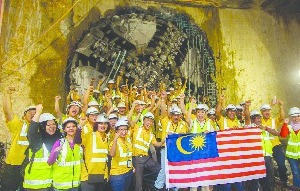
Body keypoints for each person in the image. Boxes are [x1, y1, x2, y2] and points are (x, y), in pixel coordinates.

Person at [2, 87, 36, 191]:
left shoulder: (43, 129)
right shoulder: (19, 126)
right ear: (24, 116)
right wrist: (7, 95)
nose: (32, 113)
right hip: (14, 165)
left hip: (32, 166)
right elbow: (8, 112)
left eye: (34, 112)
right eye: (29, 112)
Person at [154, 92, 189, 190]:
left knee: (176, 169)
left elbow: (185, 136)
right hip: (166, 149)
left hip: (177, 150)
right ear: (171, 115)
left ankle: (175, 187)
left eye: (178, 115)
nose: (176, 117)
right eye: (174, 115)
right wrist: (163, 99)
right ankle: (158, 186)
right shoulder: (166, 122)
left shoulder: (183, 124)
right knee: (164, 169)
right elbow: (164, 111)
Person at [23, 104, 62, 190]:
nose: (52, 127)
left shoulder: (58, 139)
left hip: (50, 184)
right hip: (34, 186)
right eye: (48, 125)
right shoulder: (36, 140)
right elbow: (31, 131)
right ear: (42, 127)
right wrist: (38, 113)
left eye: (53, 124)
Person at [245, 108, 278, 191]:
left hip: (267, 157)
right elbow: (246, 118)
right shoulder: (249, 128)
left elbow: (276, 133)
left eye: (259, 118)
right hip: (256, 157)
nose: (258, 120)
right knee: (255, 179)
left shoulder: (265, 127)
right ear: (252, 120)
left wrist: (265, 128)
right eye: (255, 118)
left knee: (269, 177)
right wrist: (246, 107)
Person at [48, 117, 82, 191]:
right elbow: (50, 162)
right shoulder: (59, 143)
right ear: (64, 129)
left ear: (76, 128)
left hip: (75, 185)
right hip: (61, 185)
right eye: (68, 127)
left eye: (73, 126)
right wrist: (55, 152)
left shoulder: (79, 144)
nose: (71, 128)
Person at [132, 112, 163, 191]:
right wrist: (138, 111)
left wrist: (164, 140)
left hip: (146, 158)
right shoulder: (137, 128)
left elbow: (157, 144)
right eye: (147, 120)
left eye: (151, 121)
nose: (149, 122)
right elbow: (130, 121)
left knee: (159, 169)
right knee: (138, 182)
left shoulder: (151, 134)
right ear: (143, 121)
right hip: (137, 158)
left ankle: (150, 185)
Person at [260, 102, 288, 186]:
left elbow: (282, 117)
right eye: (265, 111)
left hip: (275, 145)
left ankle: (284, 180)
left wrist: (281, 106)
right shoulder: (258, 120)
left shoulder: (273, 120)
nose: (267, 112)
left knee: (281, 164)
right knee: (267, 167)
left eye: (268, 110)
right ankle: (268, 183)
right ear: (261, 112)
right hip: (265, 147)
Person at [80, 114, 110, 191]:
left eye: (105, 123)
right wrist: (80, 126)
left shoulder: (107, 137)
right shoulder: (90, 135)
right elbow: (77, 140)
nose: (103, 125)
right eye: (100, 123)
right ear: (96, 125)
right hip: (88, 176)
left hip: (102, 176)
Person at [109, 119, 133, 191]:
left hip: (128, 171)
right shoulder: (114, 142)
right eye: (121, 129)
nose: (124, 131)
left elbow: (128, 155)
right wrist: (115, 139)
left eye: (125, 129)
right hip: (118, 175)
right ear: (116, 131)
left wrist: (131, 166)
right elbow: (112, 154)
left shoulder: (127, 140)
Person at [280, 107, 300, 189]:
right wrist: (285, 124)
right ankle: (297, 186)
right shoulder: (289, 127)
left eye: (298, 116)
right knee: (295, 172)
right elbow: (283, 135)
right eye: (294, 117)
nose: (296, 118)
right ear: (291, 117)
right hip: (292, 155)